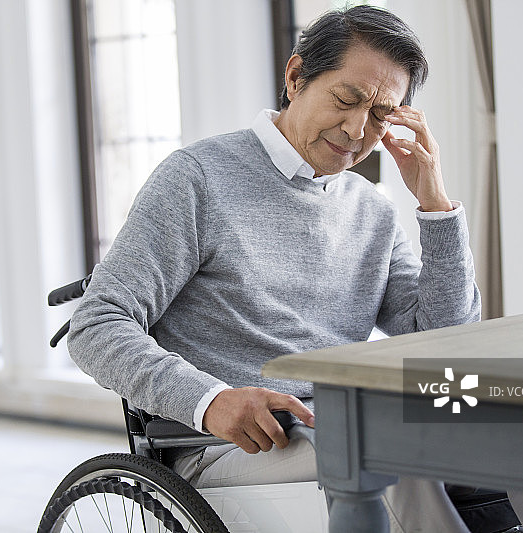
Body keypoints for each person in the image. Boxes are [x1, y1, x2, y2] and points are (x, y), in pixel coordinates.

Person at [69, 5, 481, 532]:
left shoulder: (371, 210)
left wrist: (436, 205)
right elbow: (97, 324)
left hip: (345, 425)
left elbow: (443, 343)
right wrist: (211, 400)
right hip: (226, 445)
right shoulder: (197, 179)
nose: (357, 130)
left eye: (380, 116)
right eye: (346, 100)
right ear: (295, 77)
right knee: (398, 454)